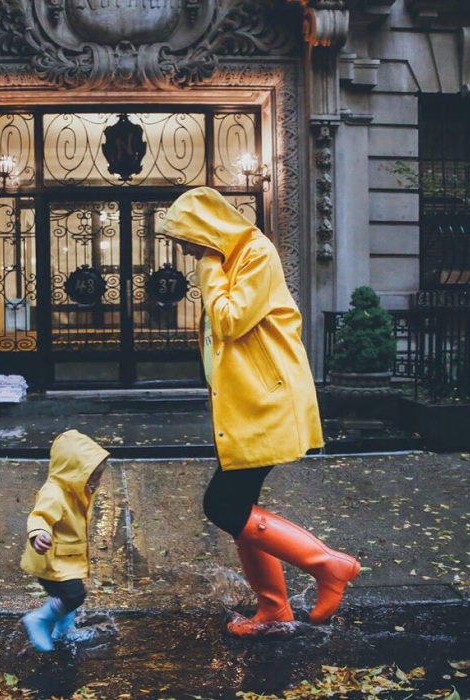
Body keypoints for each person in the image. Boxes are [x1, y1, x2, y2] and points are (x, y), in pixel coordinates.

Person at [162, 186, 360, 637]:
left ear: (206, 232)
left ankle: (328, 565)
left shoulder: (253, 253)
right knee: (239, 509)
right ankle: (273, 608)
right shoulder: (233, 258)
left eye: (186, 239)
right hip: (243, 406)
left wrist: (209, 268)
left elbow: (231, 321)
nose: (184, 249)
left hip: (267, 402)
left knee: (222, 504)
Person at [20, 429, 109, 651]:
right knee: (75, 595)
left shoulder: (76, 490)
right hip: (51, 559)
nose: (96, 483)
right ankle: (39, 619)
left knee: (64, 599)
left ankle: (62, 633)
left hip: (64, 558)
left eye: (99, 476)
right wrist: (39, 533)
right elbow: (40, 516)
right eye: (93, 477)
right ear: (73, 472)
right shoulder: (55, 492)